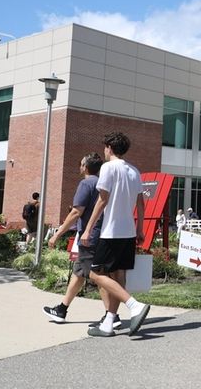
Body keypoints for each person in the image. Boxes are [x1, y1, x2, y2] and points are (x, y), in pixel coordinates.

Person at [81, 132, 150, 337]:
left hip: (111, 231)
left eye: (105, 147)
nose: (104, 150)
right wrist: (140, 229)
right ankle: (108, 323)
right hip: (128, 231)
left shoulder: (108, 167)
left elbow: (102, 200)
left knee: (94, 273)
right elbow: (141, 203)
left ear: (109, 147)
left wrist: (87, 228)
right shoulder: (134, 170)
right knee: (119, 276)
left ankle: (134, 305)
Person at [42, 152, 122, 327]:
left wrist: (57, 234)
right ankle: (62, 309)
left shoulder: (86, 184)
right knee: (79, 273)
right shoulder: (104, 183)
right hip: (104, 234)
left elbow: (76, 212)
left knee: (98, 275)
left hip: (90, 238)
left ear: (85, 167)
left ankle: (112, 316)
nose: (79, 167)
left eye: (80, 164)